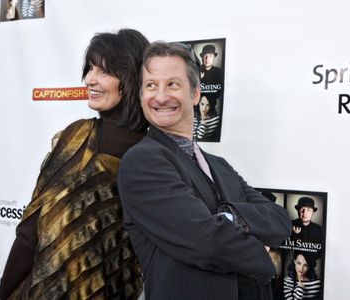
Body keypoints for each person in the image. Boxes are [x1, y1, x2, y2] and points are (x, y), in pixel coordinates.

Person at [118, 41, 292, 300]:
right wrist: (258, 250)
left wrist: (227, 215)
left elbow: (279, 221)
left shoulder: (219, 165)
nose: (161, 96)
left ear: (196, 93)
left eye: (173, 84)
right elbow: (208, 244)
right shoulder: (143, 161)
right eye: (151, 85)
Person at [0, 29, 149, 300]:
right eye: (90, 68)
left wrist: (4, 291)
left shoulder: (79, 139)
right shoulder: (157, 150)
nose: (90, 78)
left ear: (130, 78)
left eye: (104, 71)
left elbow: (31, 231)